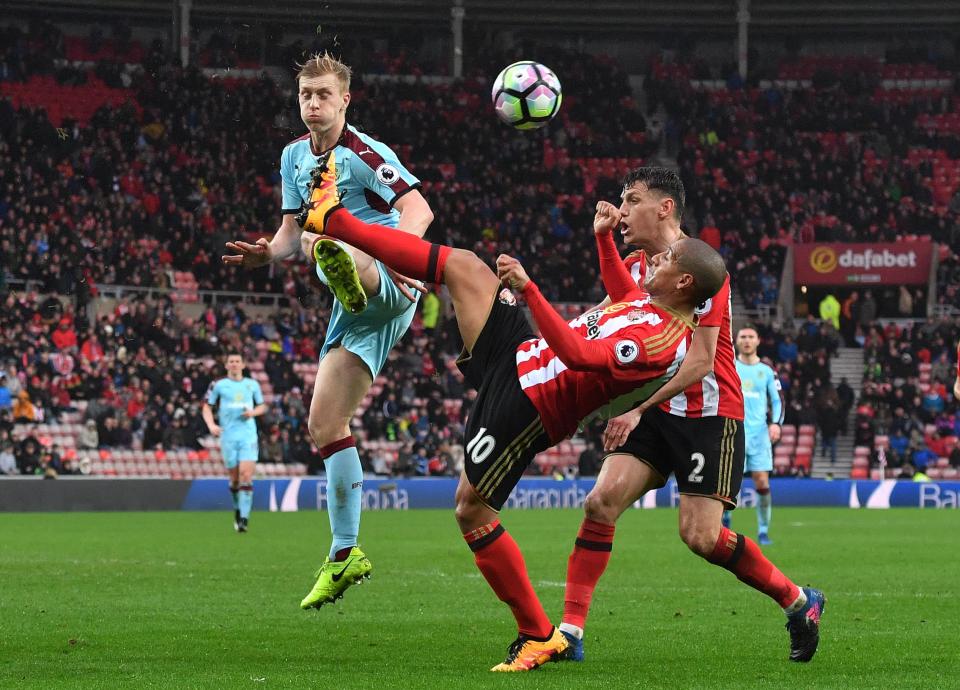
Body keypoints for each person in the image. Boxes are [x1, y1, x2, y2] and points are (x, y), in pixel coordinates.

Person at [298, 156, 726, 670]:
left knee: (470, 510)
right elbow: (620, 290)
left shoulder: (661, 341)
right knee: (464, 266)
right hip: (519, 358)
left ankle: (537, 634)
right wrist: (602, 240)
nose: (657, 261)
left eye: (668, 260)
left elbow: (578, 355)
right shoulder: (648, 302)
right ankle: (336, 221)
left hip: (528, 405)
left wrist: (529, 290)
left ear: (683, 284)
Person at [555, 168, 823, 664]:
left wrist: (634, 409)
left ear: (664, 208)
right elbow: (610, 315)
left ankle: (799, 602)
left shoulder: (702, 266)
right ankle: (569, 633)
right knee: (600, 502)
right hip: (656, 409)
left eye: (632, 200)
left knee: (701, 537)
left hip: (709, 412)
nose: (622, 210)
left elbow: (700, 361)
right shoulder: (639, 265)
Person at [222, 53, 433, 607]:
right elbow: (290, 234)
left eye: (322, 94)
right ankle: (345, 554)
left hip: (390, 275)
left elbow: (418, 210)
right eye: (304, 95)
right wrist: (265, 254)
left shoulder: (365, 153)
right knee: (325, 425)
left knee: (328, 241)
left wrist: (405, 261)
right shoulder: (293, 156)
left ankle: (351, 271)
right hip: (355, 301)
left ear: (345, 100)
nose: (312, 103)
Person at [725, 326, 783, 545]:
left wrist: (776, 423)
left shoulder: (767, 371)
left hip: (759, 436)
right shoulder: (729, 366)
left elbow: (778, 400)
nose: (747, 340)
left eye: (750, 337)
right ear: (737, 341)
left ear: (758, 341)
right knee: (729, 482)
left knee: (761, 481)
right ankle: (725, 519)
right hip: (733, 432)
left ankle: (763, 530)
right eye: (743, 337)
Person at [202, 353, 268, 533]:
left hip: (248, 436)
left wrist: (253, 413)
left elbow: (262, 406)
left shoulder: (252, 385)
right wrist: (211, 424)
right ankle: (237, 509)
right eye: (231, 361)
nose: (234, 364)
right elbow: (206, 406)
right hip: (228, 436)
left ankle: (244, 519)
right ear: (226, 365)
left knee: (246, 475)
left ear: (243, 364)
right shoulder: (218, 385)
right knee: (234, 479)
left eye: (237, 361)